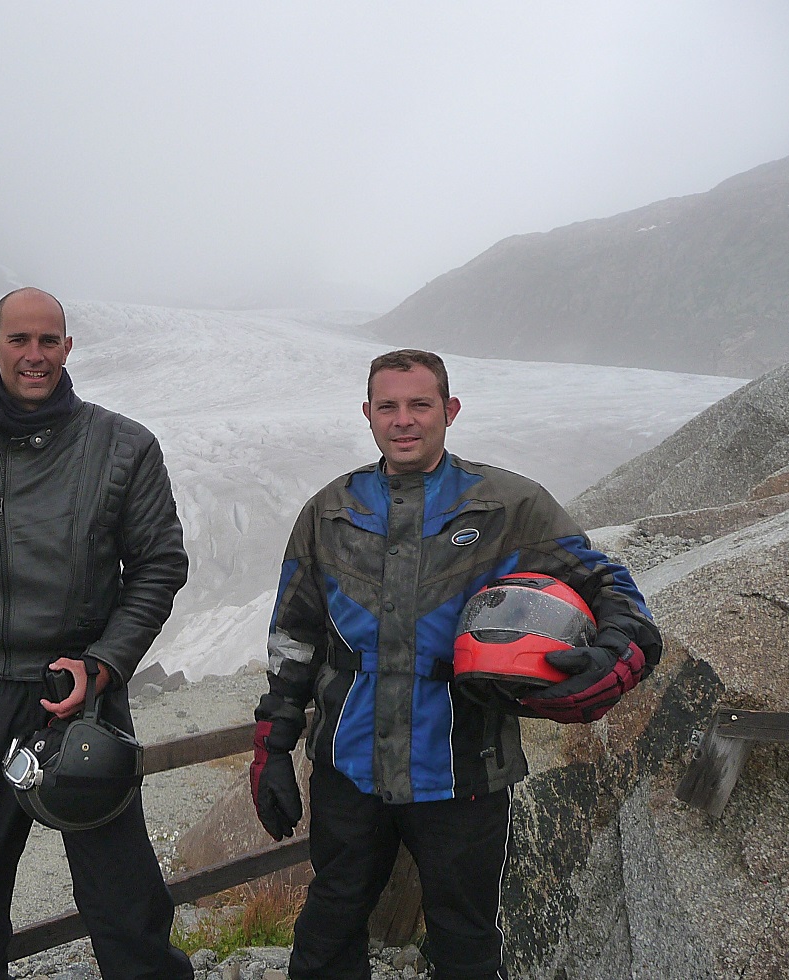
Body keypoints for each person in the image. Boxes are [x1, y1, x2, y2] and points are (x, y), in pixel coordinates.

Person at [249, 349, 662, 980]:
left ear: (451, 410)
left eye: (420, 404)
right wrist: (272, 748)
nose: (404, 420)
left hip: (464, 767)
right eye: (388, 406)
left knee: (465, 937)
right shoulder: (330, 511)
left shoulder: (506, 506)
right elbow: (293, 639)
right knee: (328, 927)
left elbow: (606, 584)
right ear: (367, 414)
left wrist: (620, 652)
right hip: (348, 765)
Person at [0, 287, 193, 980]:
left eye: (48, 340)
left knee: (122, 894)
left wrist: (103, 665)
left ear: (68, 348)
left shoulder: (125, 446)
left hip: (80, 694)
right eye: (19, 340)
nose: (34, 355)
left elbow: (159, 567)